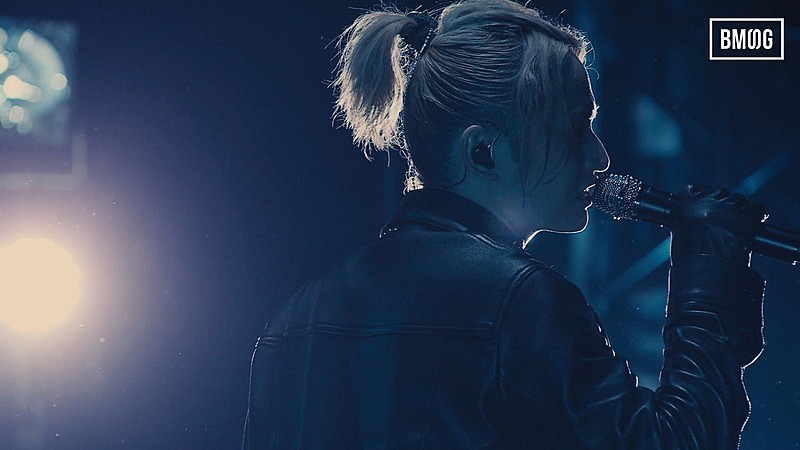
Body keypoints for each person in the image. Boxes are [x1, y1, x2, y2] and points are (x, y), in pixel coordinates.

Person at [242, 0, 768, 448]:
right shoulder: (523, 299)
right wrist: (708, 286)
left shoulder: (293, 321)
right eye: (575, 129)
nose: (600, 157)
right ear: (483, 151)